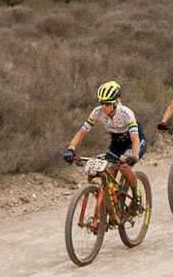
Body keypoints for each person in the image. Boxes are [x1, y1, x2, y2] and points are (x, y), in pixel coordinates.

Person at [62, 80, 146, 208]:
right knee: (107, 175)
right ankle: (113, 205)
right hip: (116, 144)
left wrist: (134, 156)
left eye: (107, 103)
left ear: (115, 103)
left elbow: (135, 139)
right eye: (102, 103)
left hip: (133, 142)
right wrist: (71, 148)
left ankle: (137, 196)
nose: (104, 106)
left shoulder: (126, 113)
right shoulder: (97, 112)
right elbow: (81, 132)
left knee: (124, 167)